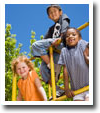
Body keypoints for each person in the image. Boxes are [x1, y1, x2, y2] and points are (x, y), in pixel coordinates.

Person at [32, 4, 70, 97]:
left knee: (35, 44)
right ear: (49, 17)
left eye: (55, 11)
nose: (53, 14)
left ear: (60, 12)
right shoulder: (50, 29)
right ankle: (57, 90)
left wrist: (60, 38)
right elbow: (44, 41)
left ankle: (50, 64)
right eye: (50, 13)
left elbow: (64, 31)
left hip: (60, 44)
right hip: (53, 51)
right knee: (42, 69)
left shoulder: (63, 18)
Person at [58, 27, 89, 101]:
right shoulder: (64, 51)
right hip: (77, 90)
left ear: (79, 38)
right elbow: (65, 71)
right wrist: (66, 88)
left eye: (73, 34)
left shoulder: (82, 44)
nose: (70, 36)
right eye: (67, 36)